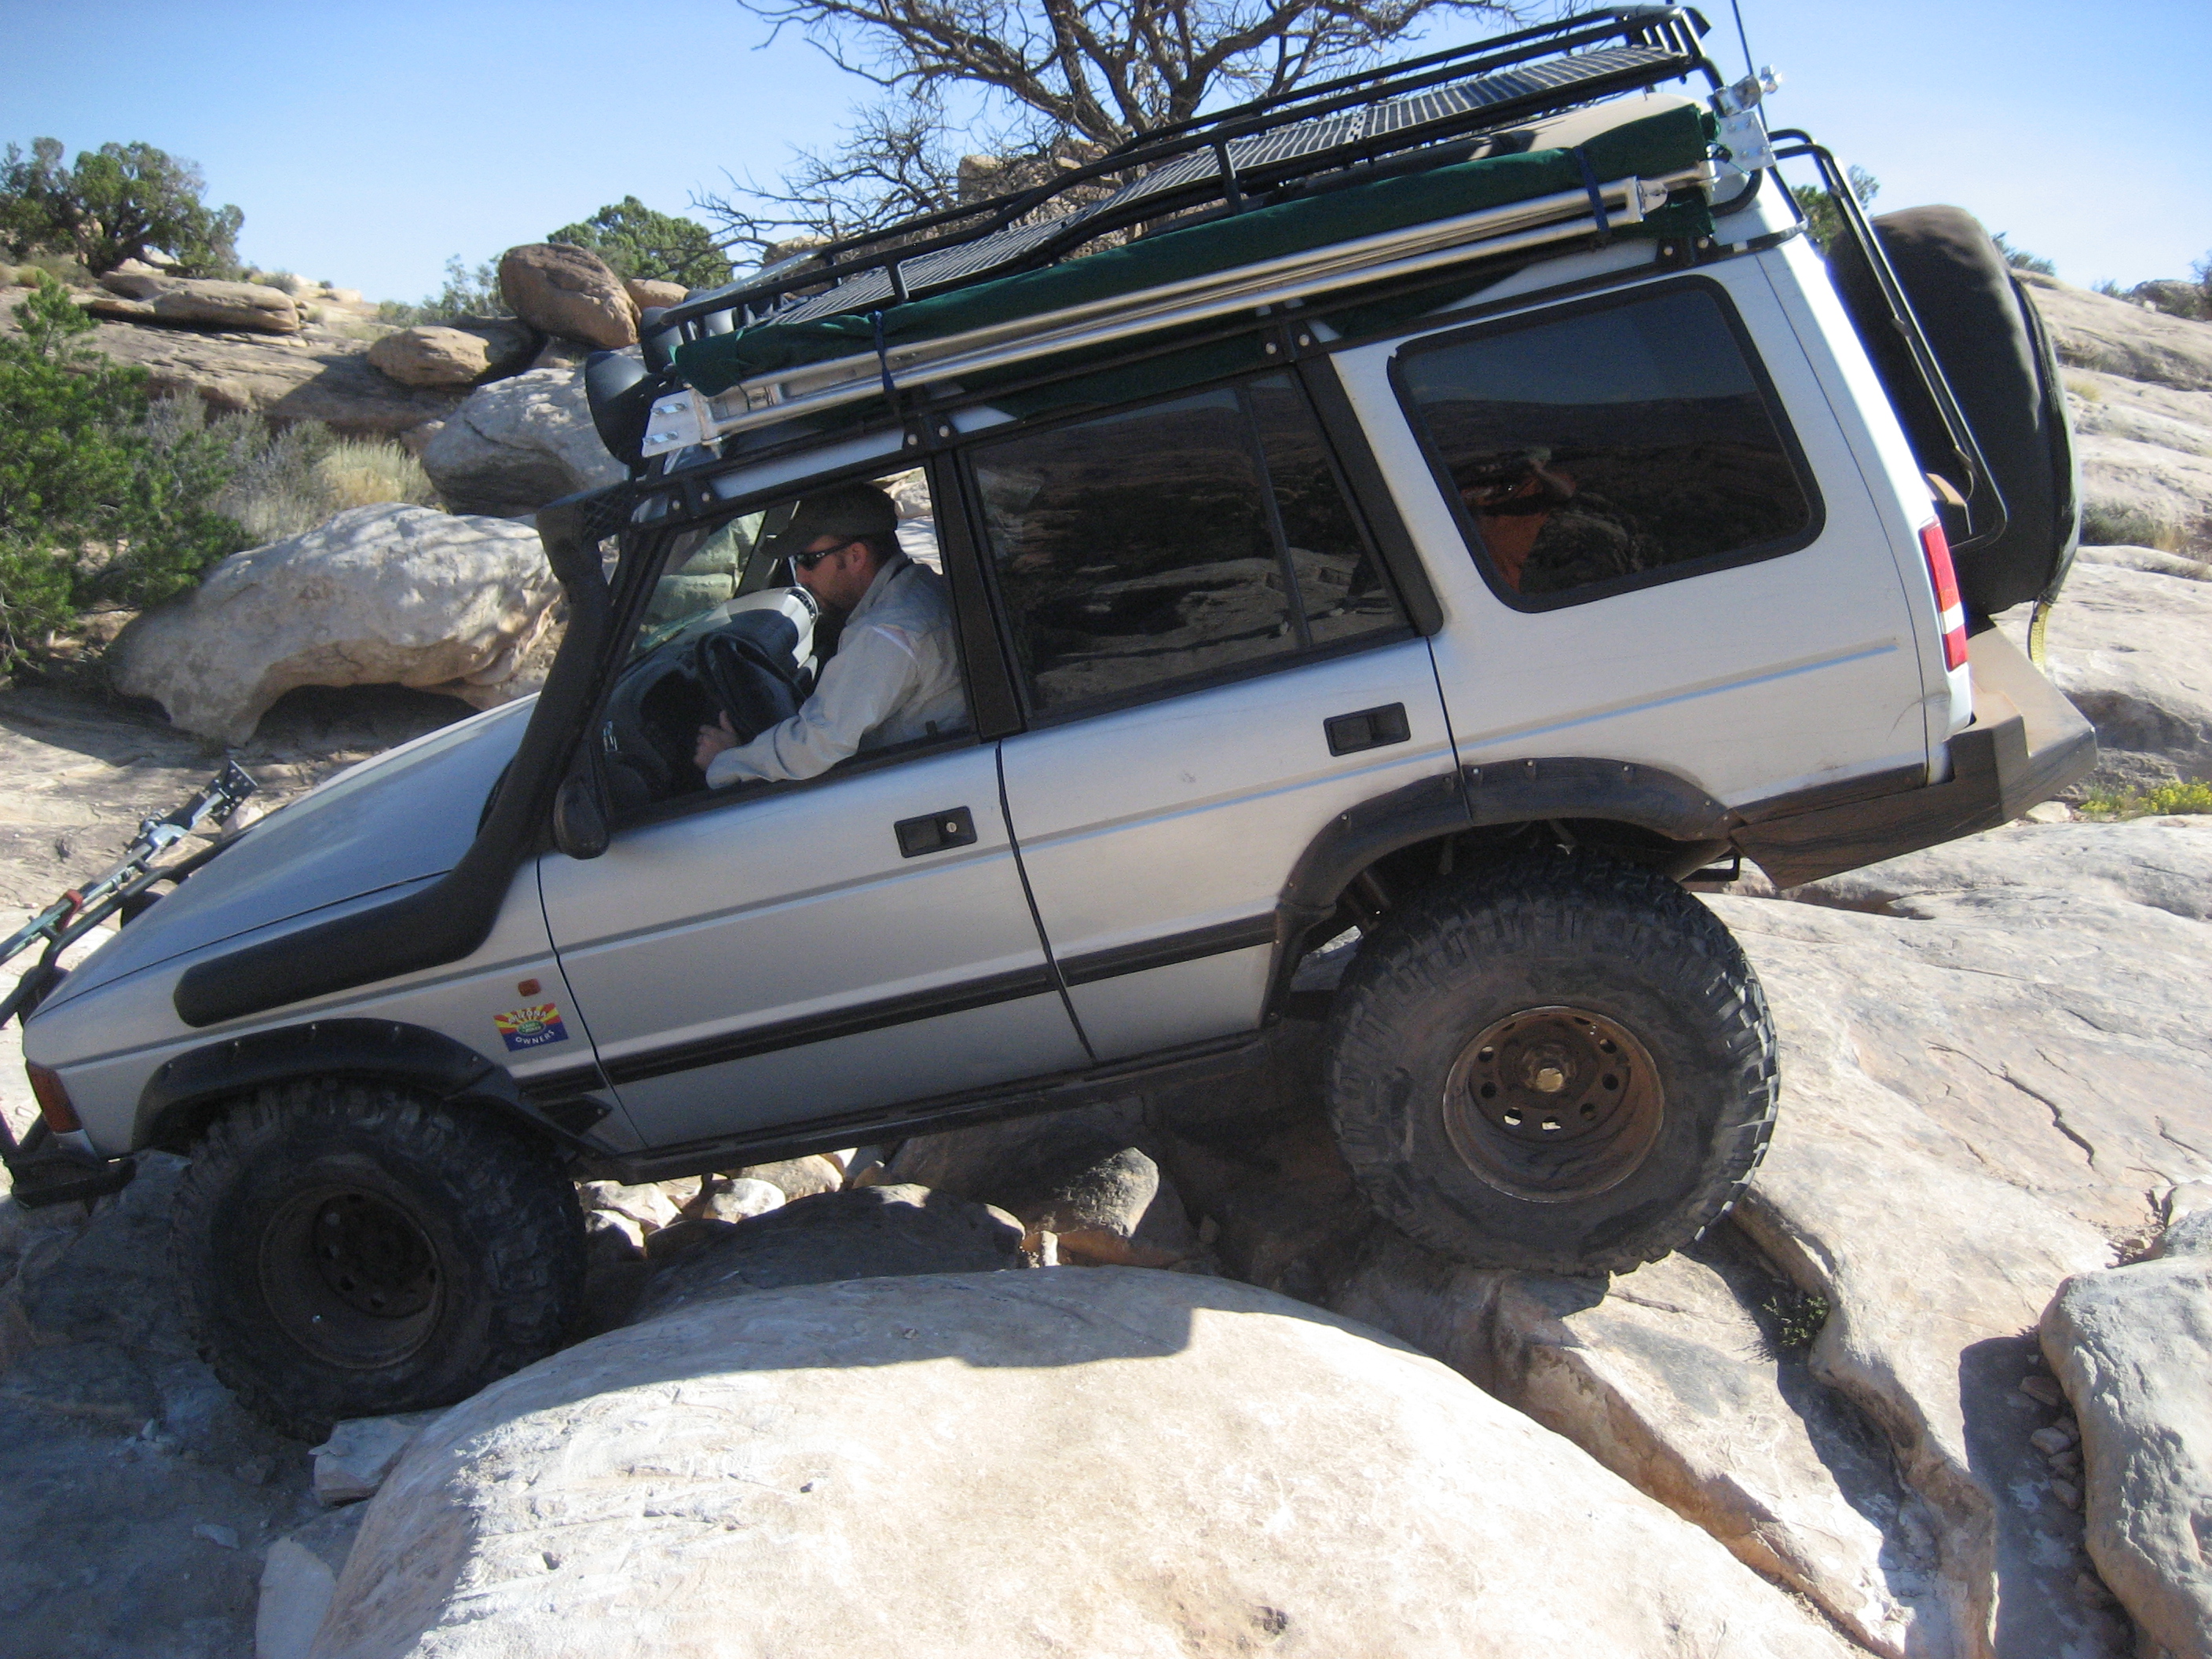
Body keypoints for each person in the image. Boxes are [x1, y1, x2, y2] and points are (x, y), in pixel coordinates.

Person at [694, 482, 966, 786]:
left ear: (855, 557)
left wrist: (727, 763)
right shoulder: (919, 587)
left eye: (808, 560)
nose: (801, 576)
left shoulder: (886, 634)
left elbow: (816, 747)